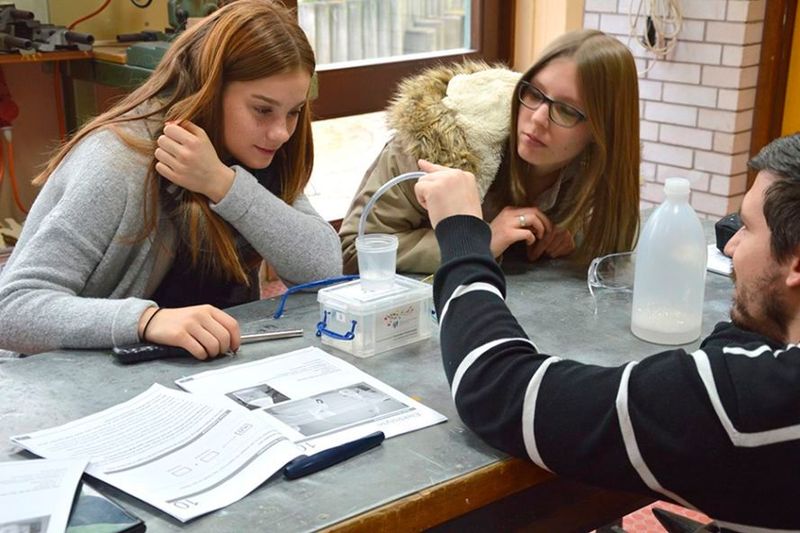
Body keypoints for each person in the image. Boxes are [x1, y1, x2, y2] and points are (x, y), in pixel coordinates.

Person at [414, 132, 800, 530]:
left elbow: (497, 387)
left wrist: (462, 236)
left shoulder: (749, 400)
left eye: (748, 228)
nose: (731, 247)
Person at [0, 0, 342, 359]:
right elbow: (12, 309)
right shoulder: (117, 161)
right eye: (262, 110)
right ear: (209, 89)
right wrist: (147, 321)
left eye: (294, 112)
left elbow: (322, 270)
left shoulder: (253, 153)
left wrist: (223, 185)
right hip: (85, 384)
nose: (280, 133)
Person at [339, 29, 641, 274]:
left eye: (565, 110)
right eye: (534, 92)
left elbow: (610, 249)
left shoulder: (598, 170)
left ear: (601, 132)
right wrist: (475, 241)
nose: (536, 118)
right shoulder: (439, 142)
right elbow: (355, 251)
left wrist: (572, 237)